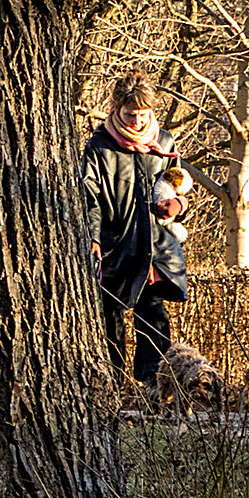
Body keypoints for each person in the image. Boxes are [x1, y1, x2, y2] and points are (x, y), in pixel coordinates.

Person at [82, 71, 181, 394]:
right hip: (115, 245)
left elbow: (176, 183)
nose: (137, 121)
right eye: (129, 114)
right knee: (110, 316)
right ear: (115, 108)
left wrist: (177, 206)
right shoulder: (99, 146)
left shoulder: (164, 141)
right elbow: (89, 195)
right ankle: (114, 383)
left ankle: (154, 384)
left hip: (155, 245)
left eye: (143, 114)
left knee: (154, 315)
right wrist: (93, 238)